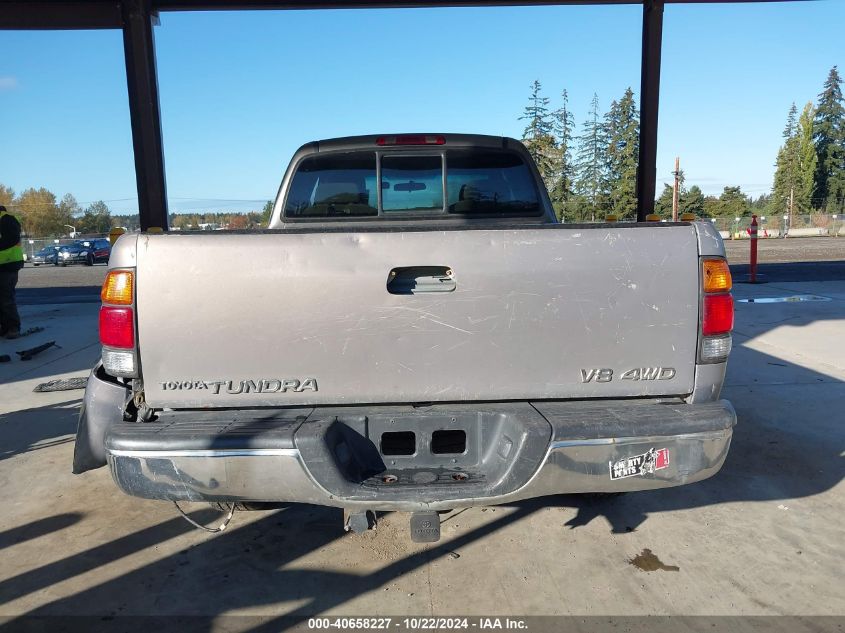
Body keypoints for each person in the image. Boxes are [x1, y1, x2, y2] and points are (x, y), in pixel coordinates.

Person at [0, 205, 24, 339]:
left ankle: (13, 327)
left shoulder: (7, 220)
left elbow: (12, 238)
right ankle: (5, 327)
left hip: (8, 264)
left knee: (6, 298)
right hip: (4, 264)